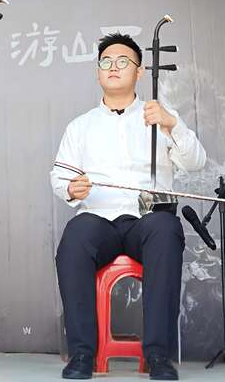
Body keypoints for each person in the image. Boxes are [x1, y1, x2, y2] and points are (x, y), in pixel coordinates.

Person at [50, 32, 206, 381]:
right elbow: (60, 177)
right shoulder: (80, 126)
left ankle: (158, 355)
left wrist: (173, 124)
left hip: (147, 220)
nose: (113, 67)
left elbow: (196, 162)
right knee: (75, 236)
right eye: (106, 62)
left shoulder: (160, 116)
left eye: (123, 61)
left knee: (165, 229)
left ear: (139, 71)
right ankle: (82, 353)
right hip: (99, 219)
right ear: (97, 72)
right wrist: (71, 188)